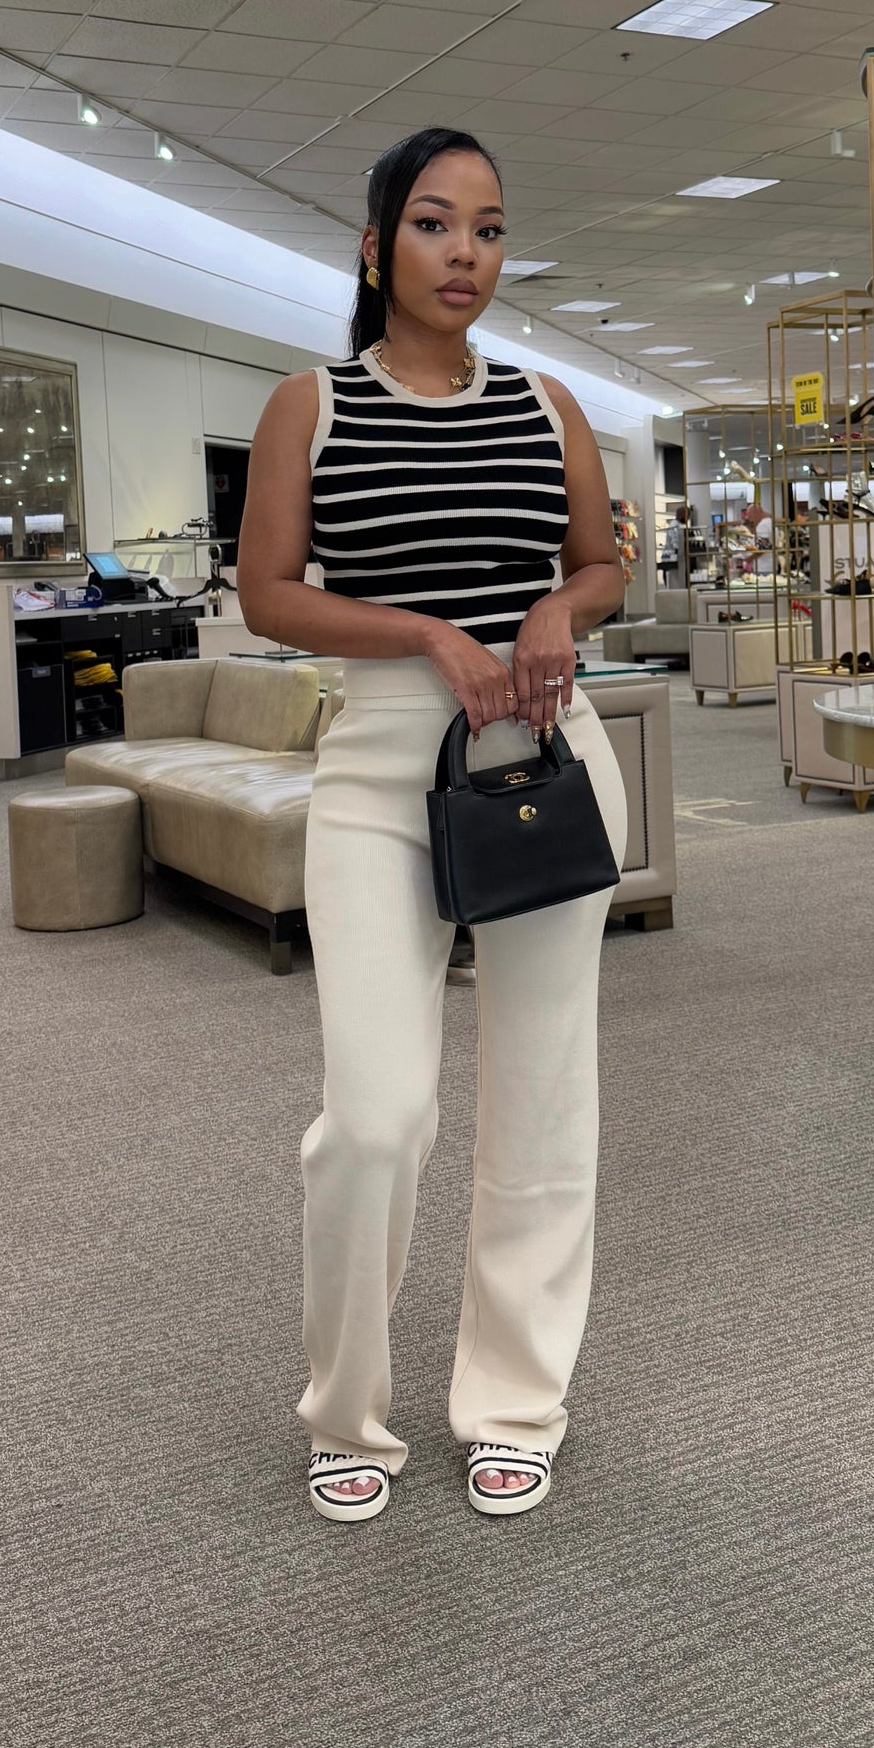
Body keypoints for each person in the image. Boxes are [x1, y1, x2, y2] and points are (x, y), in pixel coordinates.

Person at [237, 127, 630, 1524]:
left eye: (488, 228)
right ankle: (345, 1408)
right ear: (374, 245)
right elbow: (268, 594)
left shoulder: (546, 400)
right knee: (376, 1114)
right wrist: (424, 632)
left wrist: (553, 607)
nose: (464, 252)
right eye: (432, 223)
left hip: (544, 750)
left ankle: (515, 1401)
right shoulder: (312, 405)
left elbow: (600, 565)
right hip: (381, 767)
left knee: (542, 1096)